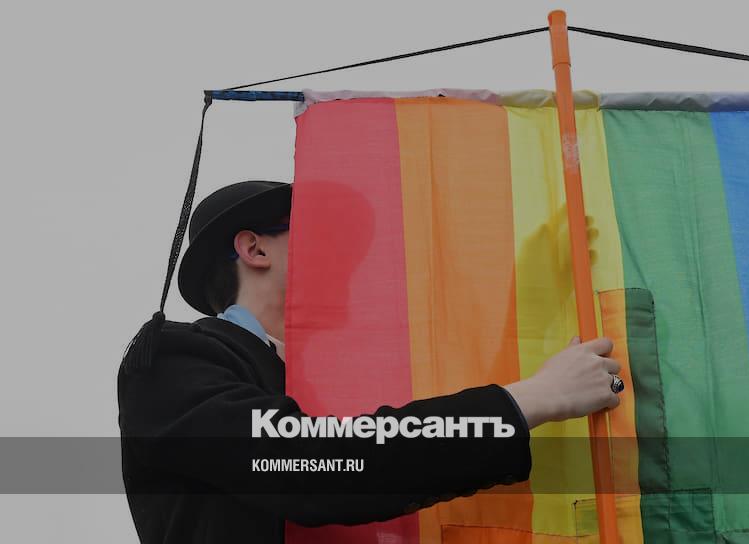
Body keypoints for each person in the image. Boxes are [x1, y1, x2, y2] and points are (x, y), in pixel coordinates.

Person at [118, 180, 624, 543]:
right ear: (254, 249)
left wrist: (529, 303)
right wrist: (527, 401)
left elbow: (401, 441)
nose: (351, 262)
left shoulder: (320, 382)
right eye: (323, 235)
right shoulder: (173, 360)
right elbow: (316, 462)